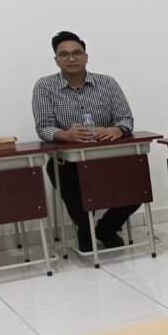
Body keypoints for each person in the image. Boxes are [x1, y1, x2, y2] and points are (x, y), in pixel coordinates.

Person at [32, 31, 138, 253]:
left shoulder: (107, 83)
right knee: (70, 185)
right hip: (67, 161)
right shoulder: (44, 86)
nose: (71, 58)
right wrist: (65, 135)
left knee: (137, 188)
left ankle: (106, 229)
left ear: (86, 57)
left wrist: (117, 129)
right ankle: (85, 229)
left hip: (108, 157)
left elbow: (126, 118)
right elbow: (43, 127)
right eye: (65, 55)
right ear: (56, 60)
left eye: (77, 53)